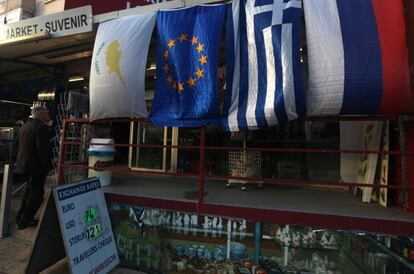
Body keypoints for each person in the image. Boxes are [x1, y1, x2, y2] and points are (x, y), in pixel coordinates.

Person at [15, 105, 53, 230]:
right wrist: (49, 167)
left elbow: (17, 144)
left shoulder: (24, 126)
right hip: (35, 167)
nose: (49, 114)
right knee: (37, 194)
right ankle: (24, 221)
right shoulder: (41, 128)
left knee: (29, 191)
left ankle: (20, 217)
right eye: (47, 112)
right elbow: (43, 150)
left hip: (23, 165)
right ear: (41, 115)